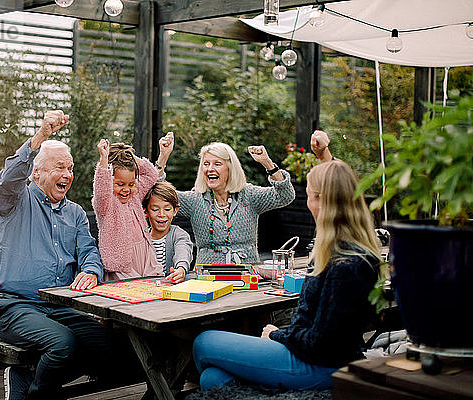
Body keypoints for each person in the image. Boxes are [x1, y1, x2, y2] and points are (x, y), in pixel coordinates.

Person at [192, 159, 382, 391]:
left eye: (310, 196)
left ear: (323, 202)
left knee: (204, 342)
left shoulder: (347, 265)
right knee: (212, 379)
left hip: (321, 366)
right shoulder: (340, 251)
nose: (308, 203)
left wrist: (277, 335)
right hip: (310, 356)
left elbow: (321, 344)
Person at [0, 110, 112, 400]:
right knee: (63, 345)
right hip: (15, 306)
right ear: (37, 172)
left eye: (70, 169)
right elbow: (6, 179)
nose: (67, 175)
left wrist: (91, 271)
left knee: (111, 344)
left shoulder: (76, 213)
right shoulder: (15, 199)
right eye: (59, 167)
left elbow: (89, 251)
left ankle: (29, 378)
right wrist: (42, 134)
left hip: (62, 306)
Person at [157, 133, 295, 264]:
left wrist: (268, 164)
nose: (210, 169)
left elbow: (285, 196)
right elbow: (158, 193)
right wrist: (163, 156)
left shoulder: (249, 195)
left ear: (230, 168)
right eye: (206, 164)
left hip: (246, 276)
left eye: (217, 164)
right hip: (208, 278)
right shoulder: (194, 200)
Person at [92, 137, 170, 281]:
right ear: (110, 181)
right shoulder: (106, 204)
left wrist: (131, 157)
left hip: (145, 257)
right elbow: (101, 188)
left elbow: (151, 174)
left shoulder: (135, 196)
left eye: (131, 184)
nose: (126, 189)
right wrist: (104, 160)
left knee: (152, 293)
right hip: (122, 265)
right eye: (120, 184)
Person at [142, 180, 194, 283]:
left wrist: (181, 269)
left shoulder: (179, 235)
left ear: (175, 211)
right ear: (146, 211)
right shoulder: (141, 237)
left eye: (167, 209)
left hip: (169, 288)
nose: (161, 214)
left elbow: (183, 251)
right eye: (155, 209)